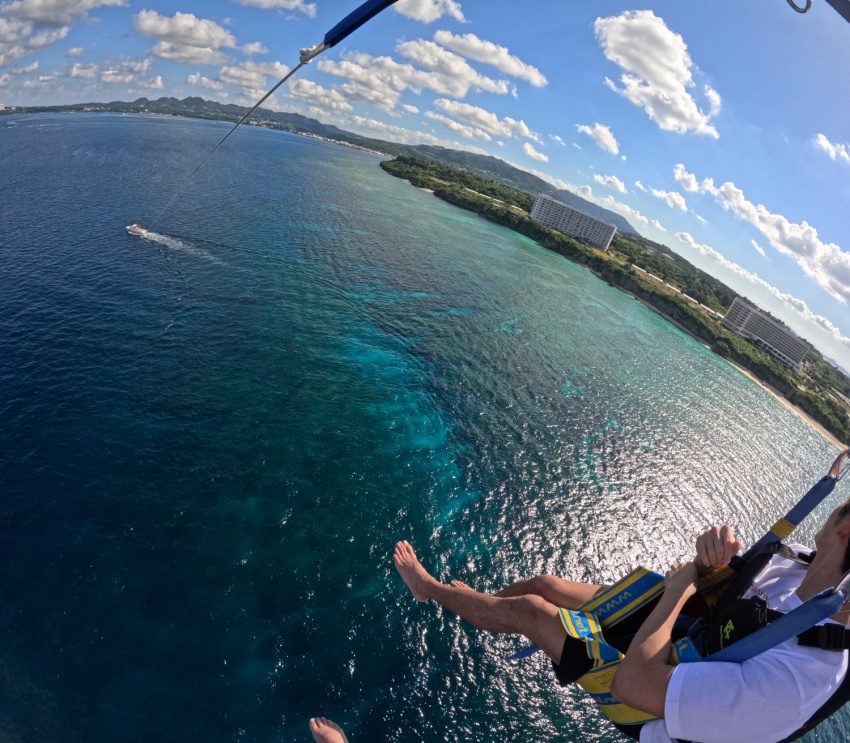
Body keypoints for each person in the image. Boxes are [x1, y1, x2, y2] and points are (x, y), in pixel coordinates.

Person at [393, 503, 850, 743]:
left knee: (532, 611)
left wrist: (677, 589)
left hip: (648, 705)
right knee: (548, 584)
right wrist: (709, 558)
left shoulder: (801, 678)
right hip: (685, 635)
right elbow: (721, 591)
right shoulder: (798, 564)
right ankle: (474, 604)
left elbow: (635, 684)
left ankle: (429, 589)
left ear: (845, 529)